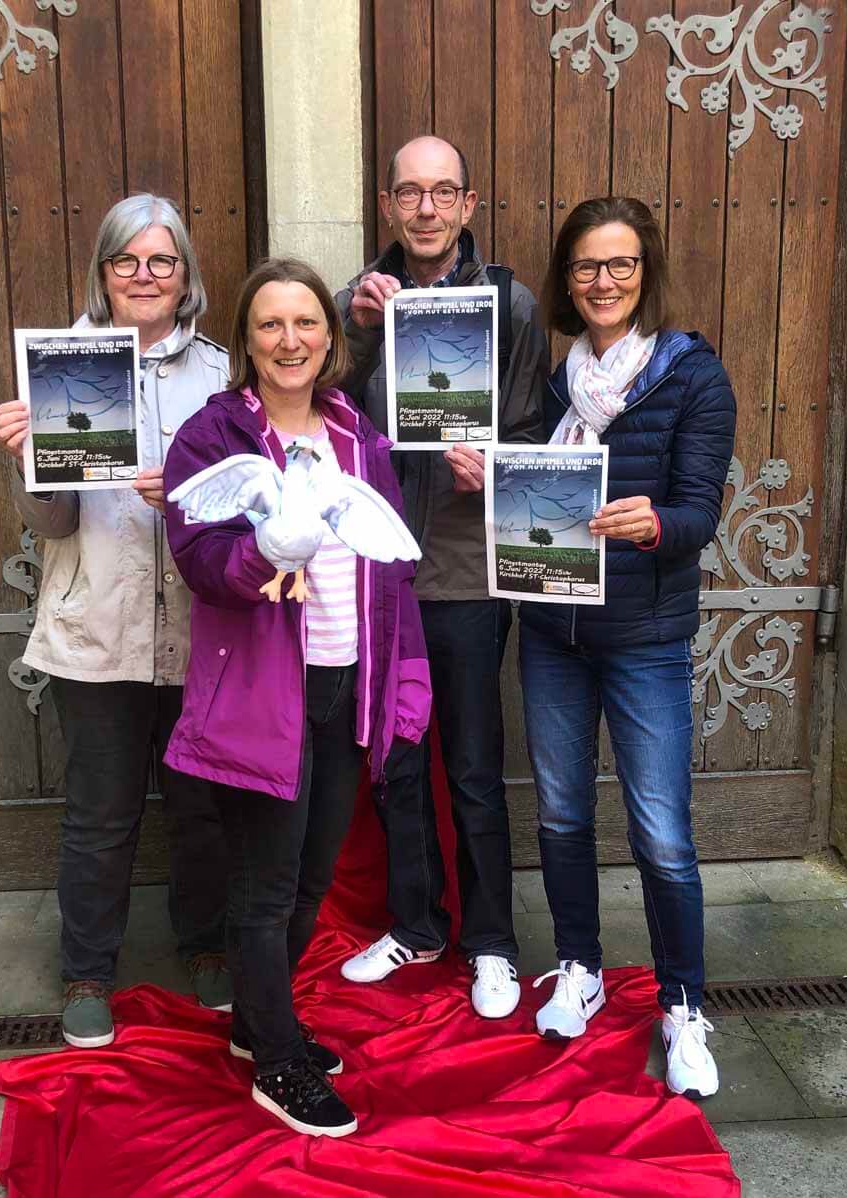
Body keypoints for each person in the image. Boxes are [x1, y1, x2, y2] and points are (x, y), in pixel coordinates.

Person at [162, 258, 431, 1138]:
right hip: (261, 696)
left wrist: (403, 684)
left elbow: (391, 578)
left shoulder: (360, 438)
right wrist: (263, 552)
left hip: (346, 686)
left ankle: (253, 1023)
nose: (290, 341)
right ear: (246, 339)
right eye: (271, 325)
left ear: (329, 336)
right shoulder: (211, 439)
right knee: (267, 886)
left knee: (313, 874)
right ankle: (277, 1062)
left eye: (306, 323)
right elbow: (201, 563)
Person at [0, 194, 232, 1049]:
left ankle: (207, 948)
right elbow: (54, 525)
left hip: (202, 634)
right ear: (103, 272)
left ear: (184, 276)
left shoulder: (219, 373)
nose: (144, 276)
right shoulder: (62, 366)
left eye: (161, 261)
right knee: (101, 812)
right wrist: (32, 462)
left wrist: (192, 497)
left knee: (204, 808)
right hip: (97, 628)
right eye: (126, 260)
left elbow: (245, 506)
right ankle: (88, 970)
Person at [521, 196, 736, 1098]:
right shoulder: (547, 381)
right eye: (584, 267)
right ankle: (582, 967)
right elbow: (522, 486)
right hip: (553, 630)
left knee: (660, 834)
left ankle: (683, 1006)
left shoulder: (691, 376)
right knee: (564, 817)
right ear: (566, 280)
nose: (601, 282)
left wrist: (656, 522)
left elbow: (699, 511)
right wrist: (486, 474)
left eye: (619, 266)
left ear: (645, 273)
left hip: (643, 636)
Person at [335, 135, 546, 1018]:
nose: (426, 208)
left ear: (467, 204)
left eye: (443, 192)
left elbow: (541, 436)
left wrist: (495, 463)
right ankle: (415, 926)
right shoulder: (356, 304)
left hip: (464, 570)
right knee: (396, 763)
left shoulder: (512, 304)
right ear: (389, 204)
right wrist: (357, 330)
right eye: (409, 192)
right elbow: (322, 409)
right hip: (377, 569)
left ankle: (491, 942)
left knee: (470, 766)